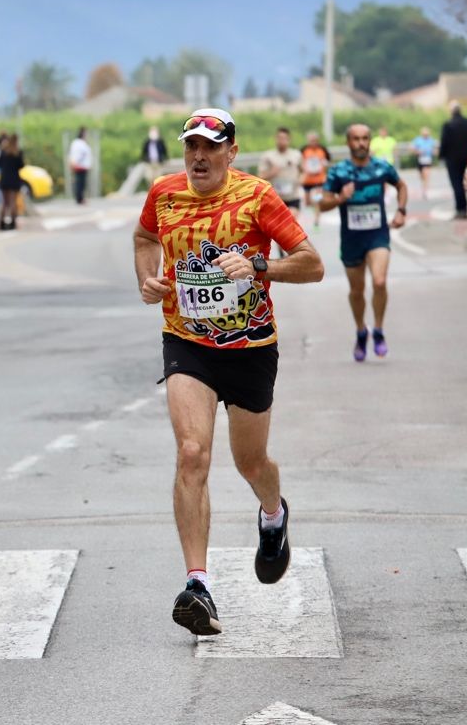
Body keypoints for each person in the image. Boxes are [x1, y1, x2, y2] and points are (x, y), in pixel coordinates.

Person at [132, 108, 324, 637]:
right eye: (191, 145)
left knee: (250, 461)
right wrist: (149, 279)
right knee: (192, 453)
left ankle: (272, 514)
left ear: (231, 152)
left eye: (211, 147)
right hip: (187, 341)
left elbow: (312, 263)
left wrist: (261, 266)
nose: (199, 156)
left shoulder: (257, 196)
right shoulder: (164, 193)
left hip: (250, 348)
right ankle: (198, 584)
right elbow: (145, 238)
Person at [319, 124, 408, 362]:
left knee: (379, 281)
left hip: (377, 235)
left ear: (369, 141)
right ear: (348, 142)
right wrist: (341, 197)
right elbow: (322, 203)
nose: (361, 143)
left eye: (365, 138)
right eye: (356, 139)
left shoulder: (381, 167)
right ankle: (361, 330)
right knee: (357, 291)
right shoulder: (338, 172)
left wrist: (401, 211)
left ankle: (378, 330)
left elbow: (401, 185)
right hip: (352, 238)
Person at [259, 127, 303, 255]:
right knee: (280, 228)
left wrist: (300, 180)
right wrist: (272, 172)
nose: (281, 141)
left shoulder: (296, 155)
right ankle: (282, 250)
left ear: (289, 140)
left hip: (293, 196)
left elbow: (303, 170)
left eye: (284, 138)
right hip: (276, 198)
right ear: (275, 139)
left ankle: (290, 251)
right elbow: (260, 176)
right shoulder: (268, 156)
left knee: (290, 222)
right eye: (279, 138)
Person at [439, 101, 467, 219]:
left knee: (457, 185)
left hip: (452, 160)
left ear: (451, 111)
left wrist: (441, 156)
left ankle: (461, 210)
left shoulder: (448, 125)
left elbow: (444, 143)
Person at [300, 132, 331, 229]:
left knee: (318, 200)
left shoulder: (322, 150)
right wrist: (303, 171)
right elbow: (299, 163)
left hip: (319, 180)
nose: (313, 142)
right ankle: (314, 209)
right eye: (311, 140)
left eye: (314, 140)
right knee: (307, 202)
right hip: (308, 180)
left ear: (317, 140)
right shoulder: (304, 150)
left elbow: (328, 161)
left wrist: (325, 167)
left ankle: (316, 221)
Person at [0, 133, 25, 231]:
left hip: (4, 179)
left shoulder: (4, 151)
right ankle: (12, 223)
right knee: (13, 202)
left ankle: (1, 223)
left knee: (5, 203)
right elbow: (21, 165)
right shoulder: (18, 152)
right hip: (14, 179)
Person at [68, 127, 93, 204]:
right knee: (80, 183)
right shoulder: (78, 143)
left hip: (82, 166)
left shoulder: (80, 143)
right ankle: (79, 199)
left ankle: (81, 198)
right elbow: (78, 155)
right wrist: (75, 163)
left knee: (81, 183)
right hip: (79, 166)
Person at [411, 126, 436, 200]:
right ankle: (424, 187)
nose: (425, 135)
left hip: (428, 160)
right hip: (420, 160)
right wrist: (418, 152)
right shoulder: (417, 140)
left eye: (427, 134)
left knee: (426, 175)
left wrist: (433, 152)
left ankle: (425, 191)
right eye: (424, 133)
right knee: (421, 176)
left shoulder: (431, 140)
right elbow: (412, 149)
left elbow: (435, 150)